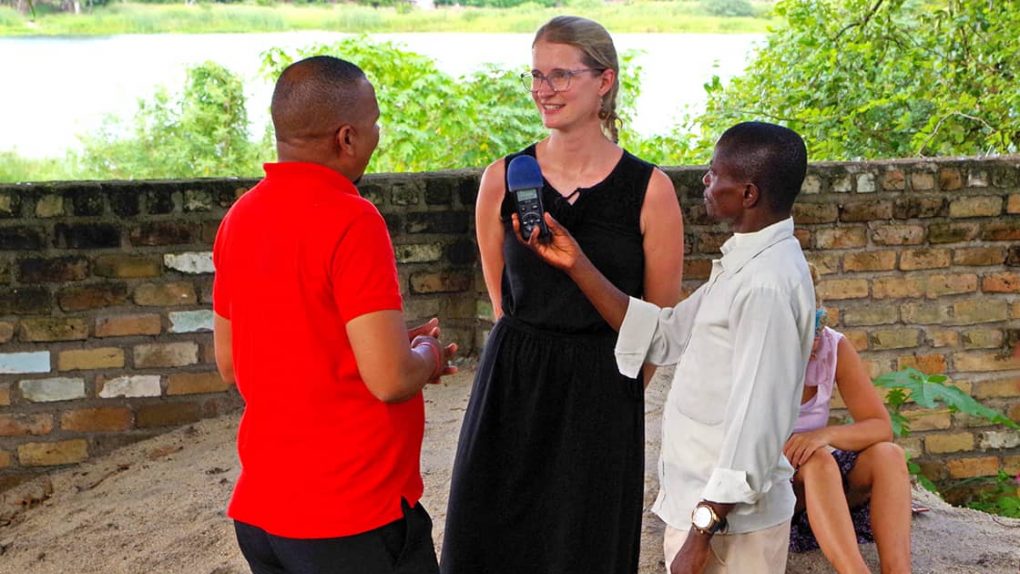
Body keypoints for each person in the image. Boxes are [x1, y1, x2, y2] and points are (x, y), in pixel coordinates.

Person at [440, 15, 684, 574]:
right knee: (495, 539)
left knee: (585, 544)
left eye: (559, 75)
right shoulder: (502, 178)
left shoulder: (651, 190)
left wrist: (610, 385)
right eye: (535, 76)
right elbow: (502, 298)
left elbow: (659, 322)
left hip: (603, 386)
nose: (543, 90)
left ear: (604, 81)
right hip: (513, 380)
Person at [517, 121, 815, 574]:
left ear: (749, 193)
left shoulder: (766, 285)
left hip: (731, 531)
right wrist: (577, 263)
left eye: (716, 174)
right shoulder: (745, 262)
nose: (705, 182)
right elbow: (665, 333)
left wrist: (701, 532)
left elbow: (756, 423)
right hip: (708, 513)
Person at [212, 55, 457, 574]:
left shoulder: (241, 217)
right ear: (346, 138)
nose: (376, 136)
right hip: (351, 517)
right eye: (374, 125)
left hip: (265, 513)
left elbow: (233, 363)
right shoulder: (351, 219)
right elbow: (390, 379)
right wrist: (427, 354)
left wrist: (385, 342)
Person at [786, 272, 912, 573]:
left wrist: (824, 435)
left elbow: (881, 427)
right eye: (806, 330)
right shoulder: (760, 354)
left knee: (889, 455)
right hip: (776, 486)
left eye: (819, 324)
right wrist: (806, 449)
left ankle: (898, 569)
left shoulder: (832, 347)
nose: (816, 339)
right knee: (818, 462)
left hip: (825, 486)